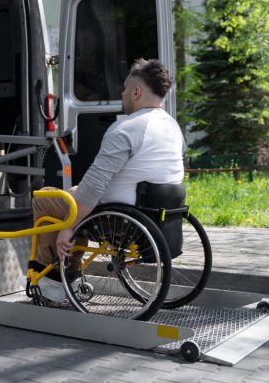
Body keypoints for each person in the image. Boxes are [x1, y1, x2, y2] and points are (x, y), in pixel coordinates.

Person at [32, 58, 185, 304]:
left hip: (116, 220)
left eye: (125, 89)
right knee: (73, 192)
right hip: (155, 215)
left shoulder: (127, 128)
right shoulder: (172, 127)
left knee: (46, 198)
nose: (122, 94)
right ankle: (69, 270)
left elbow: (94, 186)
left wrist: (68, 228)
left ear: (136, 92)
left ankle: (56, 282)